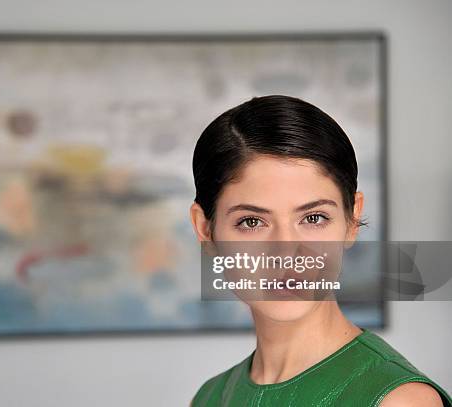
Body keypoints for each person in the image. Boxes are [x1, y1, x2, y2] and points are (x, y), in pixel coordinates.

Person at [189, 95, 451, 406]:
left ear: (351, 220)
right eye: (251, 222)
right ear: (205, 230)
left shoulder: (399, 401)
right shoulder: (209, 398)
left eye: (313, 218)